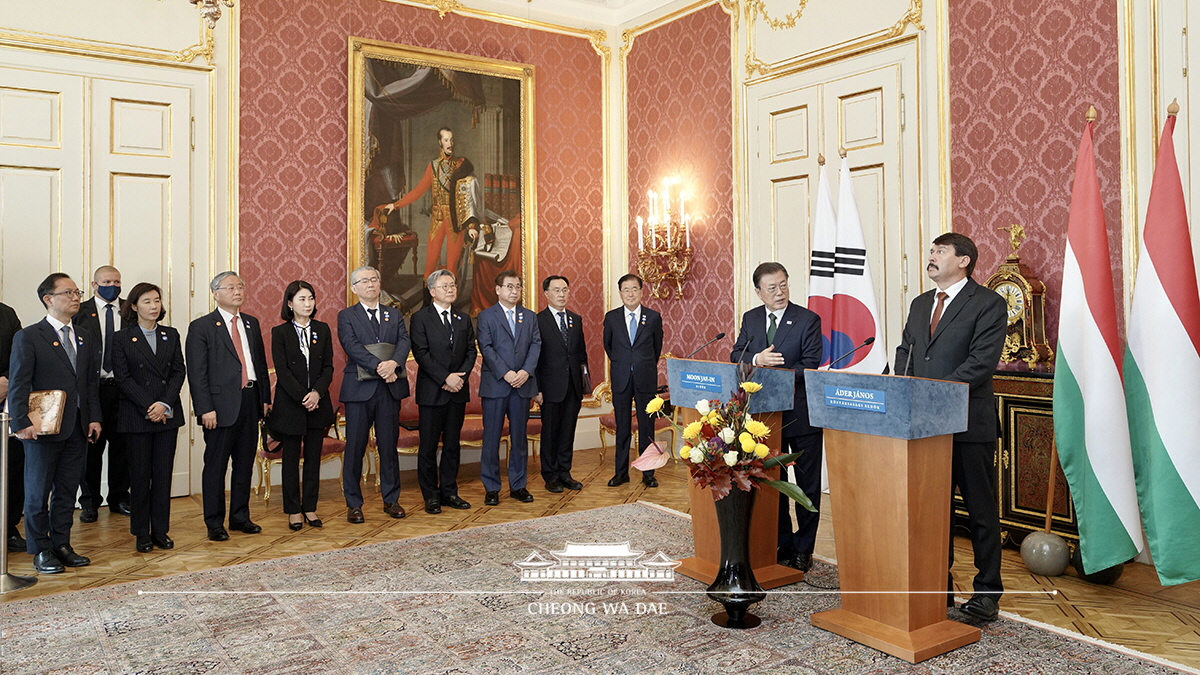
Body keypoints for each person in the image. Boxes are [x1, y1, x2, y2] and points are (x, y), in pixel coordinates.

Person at [894, 232, 1007, 622]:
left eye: (940, 251)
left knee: (980, 512)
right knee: (933, 511)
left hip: (968, 424)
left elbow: (981, 363)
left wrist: (932, 393)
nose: (931, 256)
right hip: (925, 427)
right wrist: (902, 384)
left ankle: (987, 592)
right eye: (931, 250)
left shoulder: (989, 304)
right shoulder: (921, 303)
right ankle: (936, 587)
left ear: (963, 260)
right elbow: (907, 351)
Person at [730, 262, 823, 572]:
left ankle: (804, 549)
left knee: (807, 487)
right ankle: (783, 541)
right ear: (759, 292)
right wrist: (757, 359)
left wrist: (772, 370)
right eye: (772, 288)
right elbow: (736, 355)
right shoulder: (751, 318)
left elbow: (809, 364)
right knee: (775, 483)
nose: (780, 292)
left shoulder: (808, 319)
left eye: (784, 285)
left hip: (801, 414)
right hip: (765, 417)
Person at [7, 273, 101, 574]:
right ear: (48, 299)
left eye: (77, 292)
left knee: (67, 490)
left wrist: (94, 417)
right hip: (41, 427)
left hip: (76, 426)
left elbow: (88, 383)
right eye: (68, 292)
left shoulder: (85, 335)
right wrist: (20, 421)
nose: (75, 297)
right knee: (37, 492)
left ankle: (61, 544)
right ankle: (40, 549)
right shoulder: (29, 336)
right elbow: (19, 382)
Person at [185, 271, 271, 542]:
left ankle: (240, 517)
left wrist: (265, 398)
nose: (237, 291)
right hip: (219, 406)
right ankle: (214, 522)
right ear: (215, 293)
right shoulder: (202, 327)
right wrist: (204, 408)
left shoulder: (251, 323)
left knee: (245, 463)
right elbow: (196, 373)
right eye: (230, 287)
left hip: (250, 400)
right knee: (216, 465)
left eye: (240, 286)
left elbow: (259, 363)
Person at [110, 283, 185, 553]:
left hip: (167, 416)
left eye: (156, 301)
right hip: (137, 417)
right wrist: (150, 405)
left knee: (163, 476)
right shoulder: (121, 338)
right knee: (140, 477)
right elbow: (123, 378)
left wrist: (163, 404)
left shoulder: (171, 334)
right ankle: (142, 532)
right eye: (146, 301)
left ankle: (160, 530)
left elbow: (178, 371)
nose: (153, 306)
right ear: (133, 306)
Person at [337, 266, 411, 522]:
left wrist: (394, 363)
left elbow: (404, 341)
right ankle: (354, 503)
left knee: (388, 447)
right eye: (364, 281)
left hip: (389, 389)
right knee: (355, 447)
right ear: (354, 288)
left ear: (380, 284)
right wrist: (380, 366)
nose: (370, 284)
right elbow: (351, 346)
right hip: (359, 390)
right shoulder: (346, 316)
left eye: (374, 279)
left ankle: (392, 500)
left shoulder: (394, 314)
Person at [269, 281, 335, 530]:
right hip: (291, 406)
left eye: (310, 299)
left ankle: (310, 507)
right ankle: (293, 510)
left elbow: (328, 366)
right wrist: (303, 397)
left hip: (318, 405)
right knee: (290, 460)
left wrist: (317, 393)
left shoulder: (323, 329)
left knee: (313, 459)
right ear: (289, 304)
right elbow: (282, 371)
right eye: (301, 299)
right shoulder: (280, 332)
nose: (307, 304)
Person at [410, 269, 476, 514]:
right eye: (445, 285)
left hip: (457, 390)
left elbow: (471, 351)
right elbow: (421, 353)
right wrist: (444, 378)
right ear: (432, 291)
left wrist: (459, 378)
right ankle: (431, 495)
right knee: (428, 446)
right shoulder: (420, 318)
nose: (451, 289)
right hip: (432, 392)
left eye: (453, 285)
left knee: (452, 445)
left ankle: (449, 491)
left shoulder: (463, 318)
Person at [378, 127, 481, 280]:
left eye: (451, 140)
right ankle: (428, 300)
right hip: (438, 219)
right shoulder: (433, 166)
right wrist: (395, 205)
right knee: (431, 263)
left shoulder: (462, 166)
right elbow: (418, 191)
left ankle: (451, 302)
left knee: (453, 264)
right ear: (440, 142)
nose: (450, 143)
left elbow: (470, 197)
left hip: (456, 220)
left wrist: (472, 225)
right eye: (446, 140)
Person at [476, 270, 540, 506]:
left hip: (522, 385)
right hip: (496, 385)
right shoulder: (486, 316)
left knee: (519, 439)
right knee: (491, 439)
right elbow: (486, 347)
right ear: (498, 289)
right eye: (510, 287)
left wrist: (525, 372)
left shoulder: (529, 316)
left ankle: (518, 485)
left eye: (518, 287)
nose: (515, 291)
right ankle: (492, 487)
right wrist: (506, 373)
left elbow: (536, 345)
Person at [73, 265, 130, 521]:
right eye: (107, 281)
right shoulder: (80, 311)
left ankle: (119, 497)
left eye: (117, 281)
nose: (113, 286)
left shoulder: (131, 308)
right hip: (92, 390)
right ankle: (89, 502)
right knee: (91, 449)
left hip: (123, 389)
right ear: (94, 285)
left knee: (122, 447)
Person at [602, 274, 663, 488]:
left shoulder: (653, 317)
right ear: (620, 293)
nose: (630, 293)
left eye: (634, 289)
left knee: (647, 426)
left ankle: (648, 473)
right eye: (626, 290)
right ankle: (621, 473)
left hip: (645, 378)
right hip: (621, 378)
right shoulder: (611, 318)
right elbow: (608, 347)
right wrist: (624, 363)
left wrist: (640, 364)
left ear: (641, 291)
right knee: (623, 427)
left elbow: (657, 348)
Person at [534, 275, 588, 493]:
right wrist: (535, 388)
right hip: (549, 388)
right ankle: (550, 476)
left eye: (564, 290)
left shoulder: (575, 319)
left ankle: (565, 473)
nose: (561, 294)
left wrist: (585, 385)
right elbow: (534, 357)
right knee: (550, 433)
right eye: (556, 290)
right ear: (546, 293)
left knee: (568, 432)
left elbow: (581, 354)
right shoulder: (538, 320)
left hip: (573, 386)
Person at [0, 301, 26, 553]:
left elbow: (20, 353)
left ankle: (8, 528)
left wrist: (7, 381)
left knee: (12, 467)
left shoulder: (7, 313)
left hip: (6, 402)